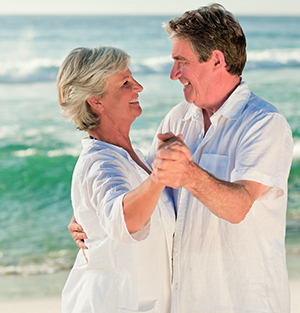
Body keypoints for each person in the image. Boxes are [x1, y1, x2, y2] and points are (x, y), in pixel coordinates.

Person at [70, 4, 293, 312]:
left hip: (242, 301)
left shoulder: (263, 122)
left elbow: (239, 206)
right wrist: (91, 214)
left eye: (181, 62)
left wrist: (188, 174)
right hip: (184, 302)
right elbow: (146, 192)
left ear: (216, 59)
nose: (174, 74)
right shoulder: (176, 120)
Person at [57, 45, 175, 313]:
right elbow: (126, 220)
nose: (139, 87)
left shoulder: (133, 158)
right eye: (125, 83)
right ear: (96, 101)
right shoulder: (100, 163)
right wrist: (162, 173)